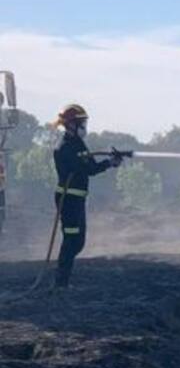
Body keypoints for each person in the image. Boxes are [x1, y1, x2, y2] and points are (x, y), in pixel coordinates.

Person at [52, 104, 124, 288]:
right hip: (68, 200)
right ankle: (61, 284)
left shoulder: (77, 143)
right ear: (70, 125)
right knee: (71, 241)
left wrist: (110, 160)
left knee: (78, 242)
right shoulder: (65, 147)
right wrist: (109, 163)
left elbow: (89, 162)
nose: (84, 128)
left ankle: (62, 281)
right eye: (81, 123)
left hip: (77, 199)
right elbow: (88, 169)